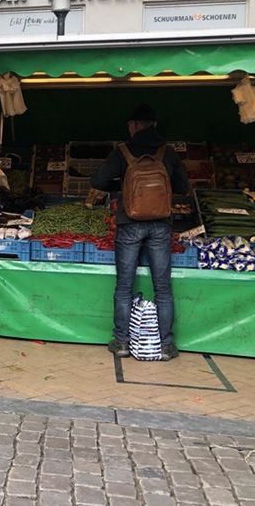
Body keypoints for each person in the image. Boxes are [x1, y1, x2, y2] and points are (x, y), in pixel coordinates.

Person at [91, 104, 190, 361]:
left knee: (124, 285)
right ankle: (166, 345)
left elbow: (98, 182)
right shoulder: (167, 152)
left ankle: (121, 342)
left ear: (133, 126)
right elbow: (182, 186)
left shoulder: (122, 152)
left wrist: (123, 184)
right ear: (154, 125)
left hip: (130, 223)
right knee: (163, 287)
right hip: (160, 224)